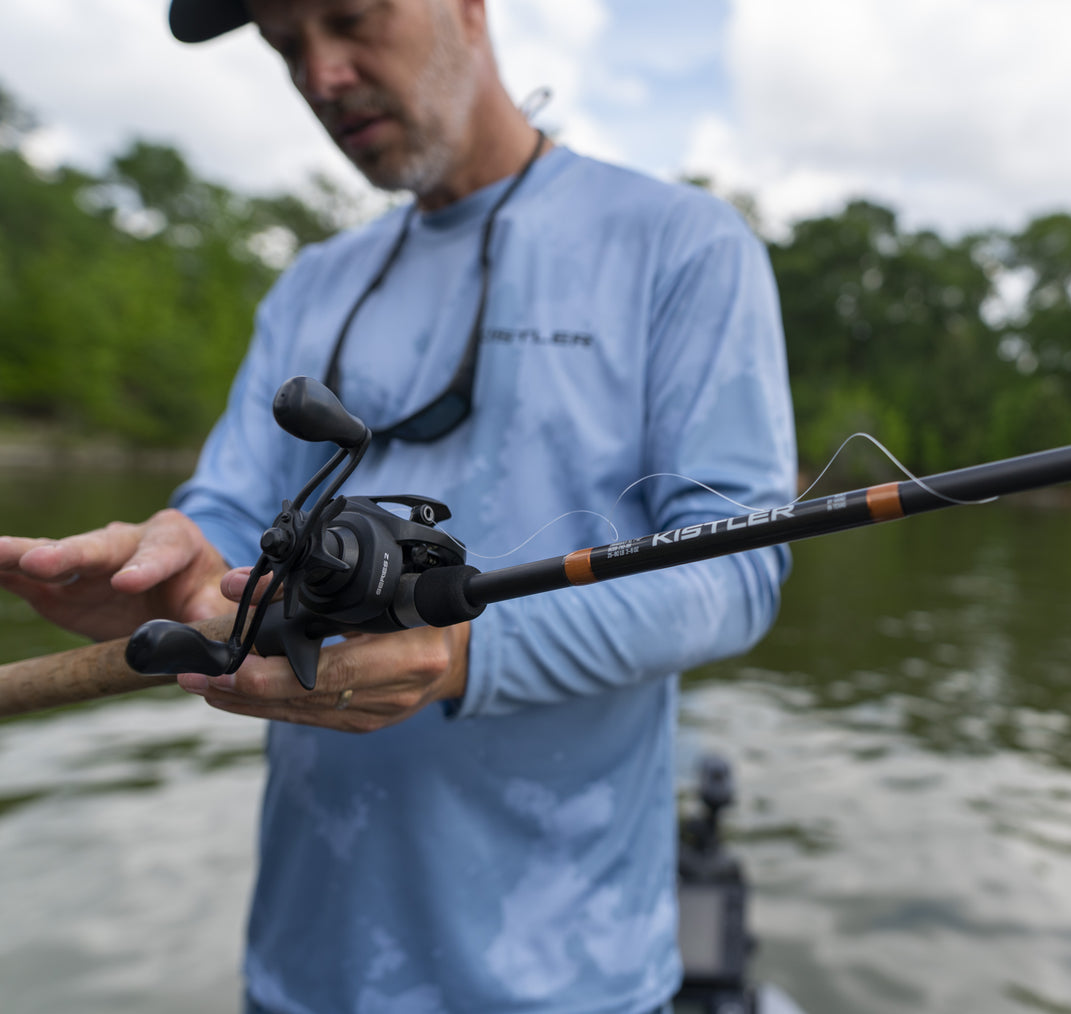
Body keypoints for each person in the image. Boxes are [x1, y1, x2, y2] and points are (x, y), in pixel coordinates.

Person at [0, 1, 796, 1011]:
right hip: (300, 972)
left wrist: (468, 653)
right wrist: (178, 573)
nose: (322, 74)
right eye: (287, 45)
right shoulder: (308, 284)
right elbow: (228, 509)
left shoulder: (683, 244)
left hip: (568, 982)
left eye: (350, 17)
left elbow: (733, 569)